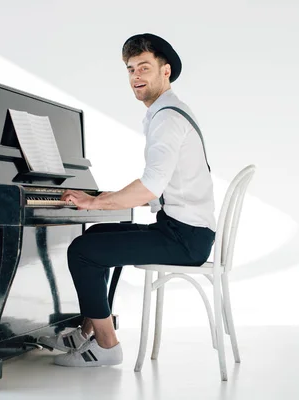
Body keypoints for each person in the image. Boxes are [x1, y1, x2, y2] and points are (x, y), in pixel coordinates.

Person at [39, 33, 216, 367]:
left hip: (185, 239)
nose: (136, 76)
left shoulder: (167, 119)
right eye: (131, 69)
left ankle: (107, 347)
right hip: (185, 231)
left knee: (82, 253)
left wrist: (94, 203)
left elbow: (150, 188)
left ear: (166, 71)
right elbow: (160, 187)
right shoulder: (166, 113)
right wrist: (105, 197)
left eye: (144, 68)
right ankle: (91, 327)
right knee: (95, 238)